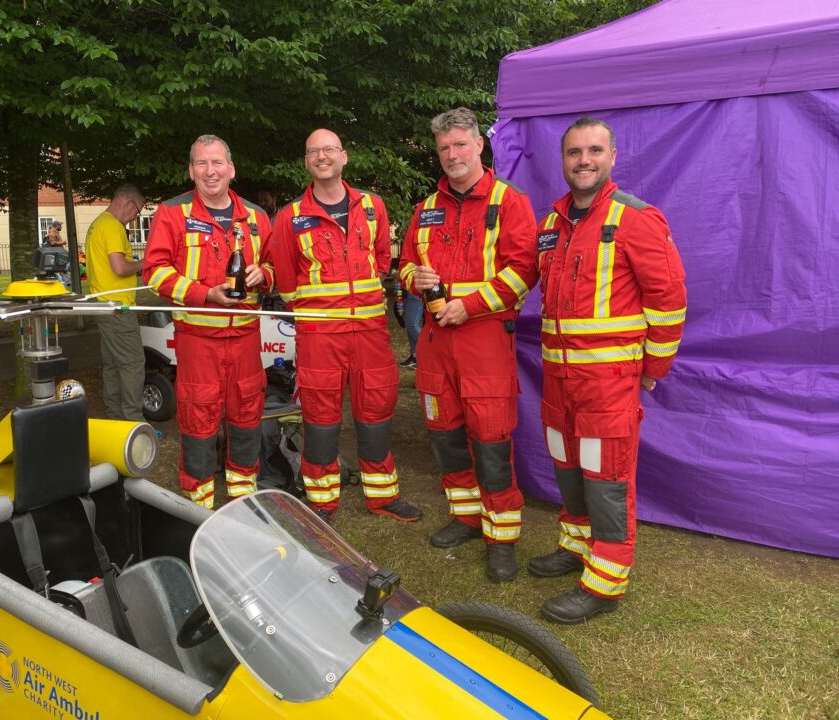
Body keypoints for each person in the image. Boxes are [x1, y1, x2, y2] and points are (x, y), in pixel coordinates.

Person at [528, 116, 687, 623]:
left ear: (612, 157)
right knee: (568, 467)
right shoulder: (552, 224)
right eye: (574, 152)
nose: (584, 160)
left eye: (594, 150)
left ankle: (605, 581)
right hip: (557, 379)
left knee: (607, 478)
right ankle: (576, 547)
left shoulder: (637, 218)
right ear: (563, 160)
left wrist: (653, 367)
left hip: (608, 384)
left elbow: (669, 299)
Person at [398, 107, 538, 582]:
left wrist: (470, 305)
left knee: (491, 441)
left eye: (460, 145)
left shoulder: (509, 201)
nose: (452, 155)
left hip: (482, 340)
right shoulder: (425, 207)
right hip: (437, 342)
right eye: (444, 148)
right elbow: (403, 265)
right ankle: (465, 517)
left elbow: (524, 271)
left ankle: (502, 537)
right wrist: (414, 280)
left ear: (479, 145)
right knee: (447, 438)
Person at [267, 128, 422, 524]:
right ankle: (322, 501)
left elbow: (383, 257)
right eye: (314, 151)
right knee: (320, 417)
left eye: (329, 149)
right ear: (306, 162)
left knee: (376, 412)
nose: (322, 156)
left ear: (344, 156)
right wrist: (319, 314)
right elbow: (286, 278)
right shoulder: (289, 217)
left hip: (370, 333)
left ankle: (383, 496)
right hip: (320, 335)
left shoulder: (373, 206)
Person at [143, 135, 274, 508]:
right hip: (197, 338)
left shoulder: (256, 217)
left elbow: (275, 265)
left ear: (231, 169)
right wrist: (204, 294)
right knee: (198, 417)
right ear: (191, 170)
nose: (210, 171)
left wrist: (262, 275)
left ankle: (243, 498)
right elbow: (154, 272)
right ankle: (198, 503)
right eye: (201, 163)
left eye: (217, 163)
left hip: (246, 338)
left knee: (248, 414)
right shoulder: (173, 213)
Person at [85, 185, 147, 423]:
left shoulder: (97, 224)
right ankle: (134, 421)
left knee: (112, 364)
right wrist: (145, 261)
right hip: (118, 308)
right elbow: (120, 267)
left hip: (102, 303)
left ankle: (116, 417)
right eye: (137, 212)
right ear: (128, 203)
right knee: (132, 363)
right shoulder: (113, 226)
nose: (134, 218)